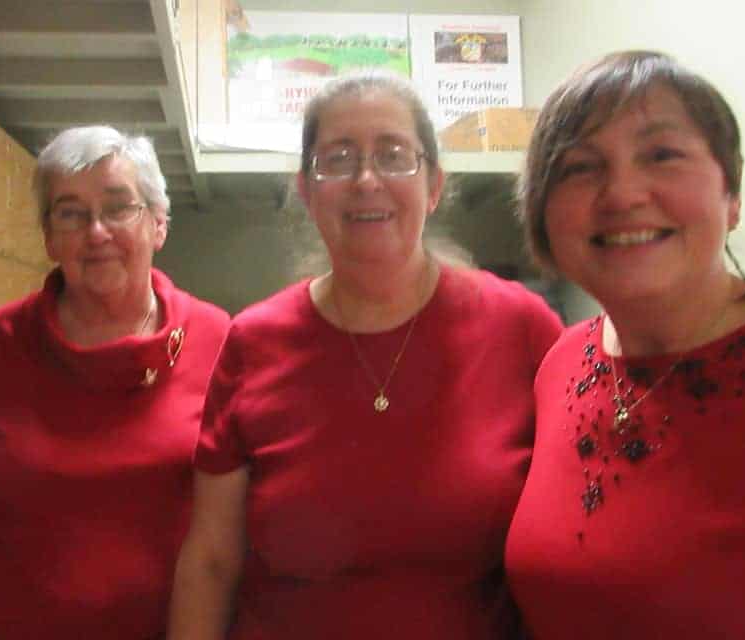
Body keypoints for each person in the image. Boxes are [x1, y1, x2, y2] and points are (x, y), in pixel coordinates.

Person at [168, 72, 563, 640]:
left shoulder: (522, 329)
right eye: (338, 159)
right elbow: (211, 560)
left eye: (394, 155)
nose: (366, 180)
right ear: (307, 192)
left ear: (433, 185)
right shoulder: (253, 343)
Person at [506, 50, 745, 638]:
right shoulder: (561, 364)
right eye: (580, 167)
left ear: (732, 192)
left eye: (662, 155)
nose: (622, 194)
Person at [0, 126, 230, 639]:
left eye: (118, 207)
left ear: (158, 224)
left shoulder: (217, 340)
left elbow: (233, 540)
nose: (96, 231)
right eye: (70, 213)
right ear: (49, 238)